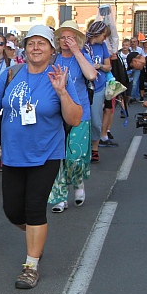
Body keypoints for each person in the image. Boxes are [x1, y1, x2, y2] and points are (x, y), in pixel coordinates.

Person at [0, 25, 82, 289]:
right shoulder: (12, 74)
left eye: (42, 43)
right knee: (13, 211)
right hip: (12, 154)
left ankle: (30, 265)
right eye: (31, 43)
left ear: (52, 49)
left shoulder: (61, 75)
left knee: (34, 208)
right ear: (25, 47)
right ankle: (37, 237)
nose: (36, 48)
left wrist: (61, 92)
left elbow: (75, 118)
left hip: (46, 154)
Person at [48, 20, 98, 212]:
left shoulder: (82, 57)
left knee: (75, 156)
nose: (65, 41)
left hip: (80, 112)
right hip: (56, 116)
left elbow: (92, 75)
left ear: (76, 40)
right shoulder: (53, 59)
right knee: (58, 158)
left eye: (69, 37)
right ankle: (60, 197)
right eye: (62, 37)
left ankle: (78, 183)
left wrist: (77, 51)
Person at [85, 19, 115, 161]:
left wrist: (100, 66)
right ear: (97, 33)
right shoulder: (82, 46)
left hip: (98, 87)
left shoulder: (102, 46)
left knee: (96, 120)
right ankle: (83, 146)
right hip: (83, 87)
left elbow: (108, 66)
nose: (105, 38)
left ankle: (95, 147)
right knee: (82, 118)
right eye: (104, 35)